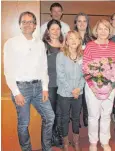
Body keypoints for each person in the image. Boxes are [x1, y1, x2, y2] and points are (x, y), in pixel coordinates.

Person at [4, 11, 55, 151]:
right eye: (24, 22)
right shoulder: (11, 43)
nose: (27, 24)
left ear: (35, 26)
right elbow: (8, 70)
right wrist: (16, 92)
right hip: (21, 89)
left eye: (30, 22)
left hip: (39, 87)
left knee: (50, 117)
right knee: (24, 123)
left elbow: (44, 68)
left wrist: (45, 88)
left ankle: (47, 148)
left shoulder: (40, 44)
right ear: (20, 25)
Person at [83, 19, 115, 151]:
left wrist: (111, 87)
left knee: (106, 114)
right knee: (93, 115)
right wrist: (92, 86)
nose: (103, 31)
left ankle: (105, 141)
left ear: (109, 31)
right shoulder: (90, 46)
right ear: (96, 30)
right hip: (92, 86)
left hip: (109, 87)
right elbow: (85, 68)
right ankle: (93, 142)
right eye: (100, 28)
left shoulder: (114, 46)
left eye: (106, 28)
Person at [56, 30, 85, 151]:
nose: (73, 41)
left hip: (78, 93)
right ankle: (66, 143)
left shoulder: (83, 56)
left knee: (76, 117)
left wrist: (79, 88)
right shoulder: (61, 55)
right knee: (64, 118)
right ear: (66, 41)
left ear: (79, 41)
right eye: (70, 38)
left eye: (76, 38)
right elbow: (60, 76)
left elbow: (85, 74)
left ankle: (76, 142)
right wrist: (72, 90)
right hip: (64, 93)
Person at [42, 19, 64, 147]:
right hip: (49, 85)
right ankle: (48, 141)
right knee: (50, 115)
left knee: (60, 113)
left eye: (58, 29)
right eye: (52, 29)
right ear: (48, 31)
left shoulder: (64, 44)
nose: (55, 31)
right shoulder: (43, 45)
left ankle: (56, 137)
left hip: (62, 84)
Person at [74, 12, 93, 127]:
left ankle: (86, 115)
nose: (82, 23)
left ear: (87, 23)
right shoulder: (71, 37)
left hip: (88, 72)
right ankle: (76, 118)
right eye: (79, 21)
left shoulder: (91, 39)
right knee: (77, 96)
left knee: (87, 96)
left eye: (84, 21)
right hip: (75, 72)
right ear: (76, 23)